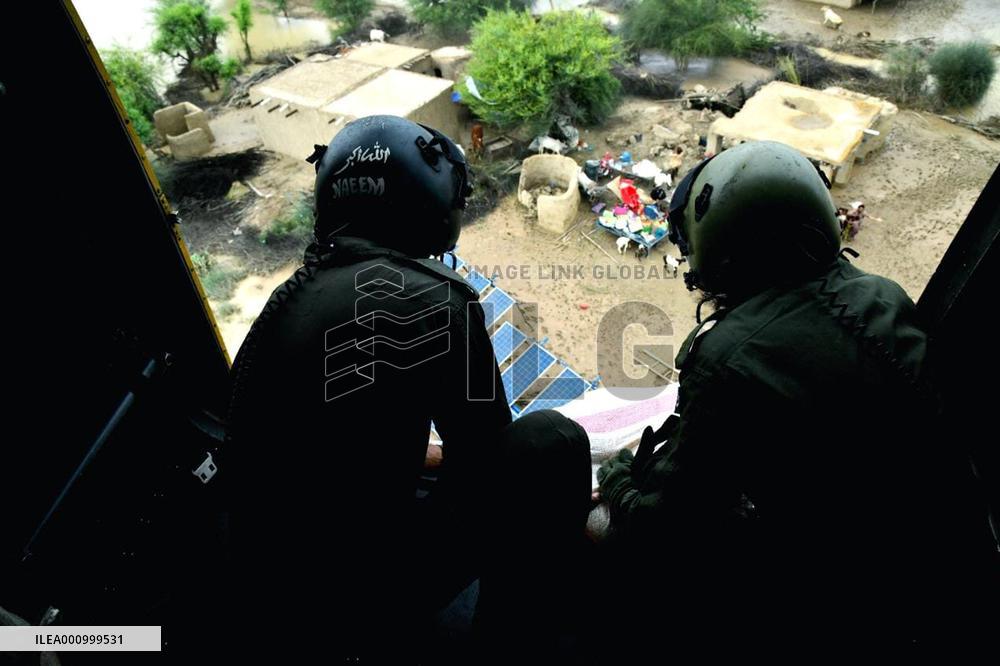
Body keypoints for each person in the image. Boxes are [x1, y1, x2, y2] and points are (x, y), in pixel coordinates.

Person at [596, 141, 980, 648]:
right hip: (954, 573)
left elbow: (667, 527)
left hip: (852, 606)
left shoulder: (728, 358)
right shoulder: (883, 293)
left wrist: (618, 478)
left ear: (718, 251)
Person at [225, 116, 512, 659]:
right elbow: (492, 454)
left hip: (266, 577)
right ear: (432, 204)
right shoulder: (437, 301)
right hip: (359, 594)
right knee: (546, 445)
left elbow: (332, 430)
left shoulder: (291, 297)